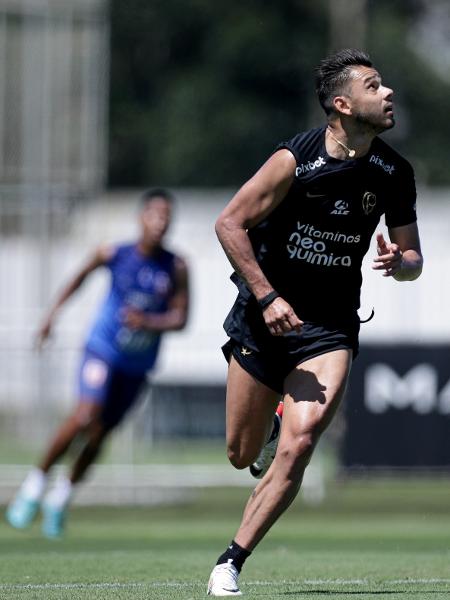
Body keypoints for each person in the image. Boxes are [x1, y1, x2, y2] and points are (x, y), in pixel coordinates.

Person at [207, 48, 423, 596]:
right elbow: (229, 223)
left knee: (302, 444)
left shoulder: (394, 173)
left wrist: (402, 264)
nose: (389, 92)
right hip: (265, 318)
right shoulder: (294, 159)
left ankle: (231, 560)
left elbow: (414, 259)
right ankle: (266, 431)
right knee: (239, 454)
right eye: (375, 86)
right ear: (343, 105)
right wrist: (267, 295)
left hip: (328, 327)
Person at [6, 188, 189, 538]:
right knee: (84, 415)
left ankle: (60, 499)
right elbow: (79, 277)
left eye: (167, 216)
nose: (160, 222)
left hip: (136, 366)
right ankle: (32, 488)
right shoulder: (115, 253)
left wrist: (148, 321)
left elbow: (181, 318)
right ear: (141, 218)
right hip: (102, 350)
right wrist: (51, 317)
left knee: (100, 433)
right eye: (155, 214)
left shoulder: (176, 266)